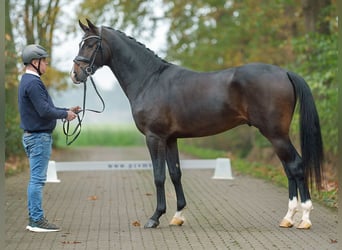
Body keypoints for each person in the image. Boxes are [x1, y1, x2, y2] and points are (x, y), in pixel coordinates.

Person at [18, 44, 80, 232]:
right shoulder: (33, 82)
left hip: (34, 137)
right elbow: (44, 111)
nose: (46, 64)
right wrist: (65, 115)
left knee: (35, 180)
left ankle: (34, 218)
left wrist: (66, 111)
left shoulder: (27, 81)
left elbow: (43, 108)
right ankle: (36, 220)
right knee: (37, 180)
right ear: (35, 62)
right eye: (44, 61)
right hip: (38, 139)